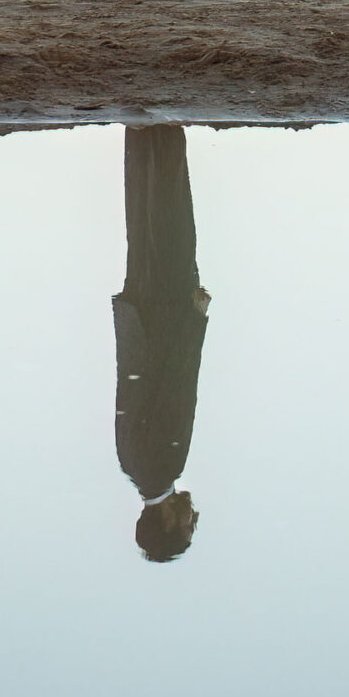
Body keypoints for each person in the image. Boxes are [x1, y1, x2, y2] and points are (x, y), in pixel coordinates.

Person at [112, 124, 209, 563]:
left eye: (188, 528)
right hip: (139, 318)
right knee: (144, 222)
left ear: (168, 522)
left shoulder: (165, 466)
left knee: (170, 219)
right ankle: (140, 130)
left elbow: (177, 384)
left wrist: (194, 318)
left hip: (167, 318)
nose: (193, 518)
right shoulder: (131, 466)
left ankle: (166, 124)